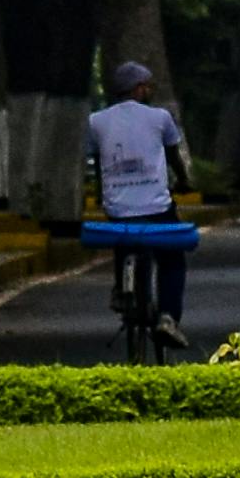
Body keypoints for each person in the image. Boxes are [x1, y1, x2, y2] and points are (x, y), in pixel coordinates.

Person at [86, 60, 194, 343]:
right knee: (172, 258)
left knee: (123, 237)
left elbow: (99, 162)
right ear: (138, 89)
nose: (149, 90)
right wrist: (184, 181)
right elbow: (173, 156)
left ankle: (122, 290)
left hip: (117, 207)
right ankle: (168, 317)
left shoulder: (96, 121)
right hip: (157, 208)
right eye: (147, 86)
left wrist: (102, 194)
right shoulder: (160, 118)